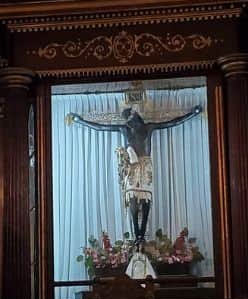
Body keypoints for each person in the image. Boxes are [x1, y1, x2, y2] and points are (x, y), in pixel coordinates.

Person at [70, 104, 201, 245]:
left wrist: (192, 114)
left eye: (130, 117)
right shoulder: (124, 129)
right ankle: (136, 233)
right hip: (132, 167)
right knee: (132, 198)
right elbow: (101, 127)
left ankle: (141, 234)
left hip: (145, 167)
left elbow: (172, 122)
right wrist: (80, 121)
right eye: (127, 119)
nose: (129, 122)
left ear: (136, 116)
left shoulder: (149, 127)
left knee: (146, 200)